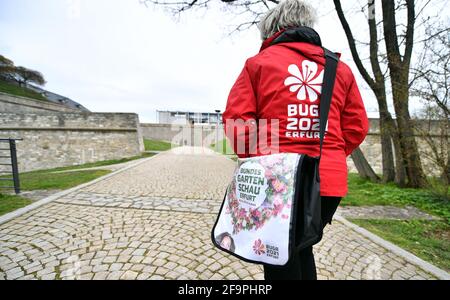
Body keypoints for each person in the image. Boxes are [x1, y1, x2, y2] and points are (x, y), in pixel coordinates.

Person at [222, 0, 369, 280]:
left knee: (276, 253)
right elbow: (357, 126)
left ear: (271, 30)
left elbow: (238, 122)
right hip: (327, 182)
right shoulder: (340, 68)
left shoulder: (259, 64)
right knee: (302, 248)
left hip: (275, 180)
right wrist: (333, 155)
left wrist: (255, 156)